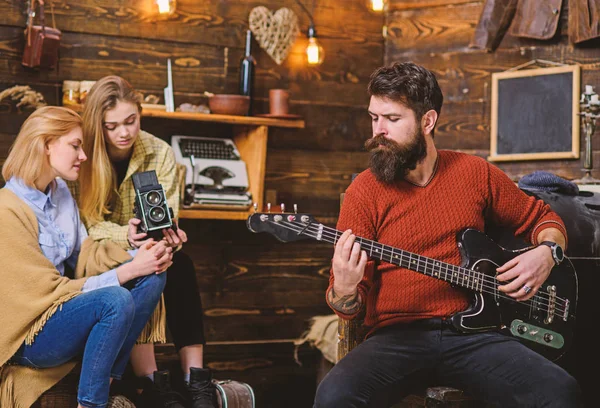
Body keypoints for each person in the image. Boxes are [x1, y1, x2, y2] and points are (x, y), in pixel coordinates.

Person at [314, 62, 582, 408]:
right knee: (334, 396)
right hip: (397, 339)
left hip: (476, 337)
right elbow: (347, 308)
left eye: (392, 120)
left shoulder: (474, 173)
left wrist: (547, 253)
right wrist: (345, 288)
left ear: (428, 121)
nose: (378, 131)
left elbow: (543, 219)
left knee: (561, 391)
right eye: (373, 117)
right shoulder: (364, 192)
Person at [0, 106, 172, 408]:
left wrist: (137, 254)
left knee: (153, 273)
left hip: (64, 312)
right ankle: (91, 403)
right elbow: (44, 292)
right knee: (115, 299)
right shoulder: (7, 210)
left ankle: (105, 378)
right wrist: (127, 271)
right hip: (30, 334)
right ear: (46, 145)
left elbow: (85, 255)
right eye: (75, 145)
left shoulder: (61, 192)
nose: (83, 156)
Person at [74, 75, 217, 408]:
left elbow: (166, 215)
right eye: (112, 126)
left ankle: (195, 378)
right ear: (98, 125)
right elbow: (86, 223)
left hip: (147, 245)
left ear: (140, 114)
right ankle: (150, 378)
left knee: (177, 262)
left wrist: (168, 237)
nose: (124, 132)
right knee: (142, 268)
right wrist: (125, 234)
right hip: (98, 250)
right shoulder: (84, 157)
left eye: (131, 121)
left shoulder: (159, 152)